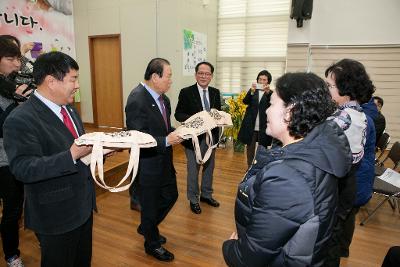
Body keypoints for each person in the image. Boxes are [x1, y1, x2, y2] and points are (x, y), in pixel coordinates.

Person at [222, 72, 352, 267]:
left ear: (290, 112)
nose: (266, 111)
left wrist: (231, 248)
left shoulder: (287, 178)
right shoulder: (319, 148)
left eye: (272, 104)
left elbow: (250, 256)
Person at [3, 51, 95, 267]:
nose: (77, 85)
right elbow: (23, 168)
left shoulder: (70, 110)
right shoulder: (21, 118)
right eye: (73, 79)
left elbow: (78, 149)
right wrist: (72, 155)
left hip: (83, 206)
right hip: (55, 215)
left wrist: (97, 152)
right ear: (51, 81)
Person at [125, 58, 182, 262]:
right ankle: (152, 244)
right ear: (155, 77)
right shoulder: (136, 99)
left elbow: (164, 128)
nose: (170, 81)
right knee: (149, 206)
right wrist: (166, 140)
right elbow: (137, 136)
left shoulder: (163, 99)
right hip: (148, 164)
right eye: (168, 76)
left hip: (164, 160)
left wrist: (179, 132)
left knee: (171, 195)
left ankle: (147, 227)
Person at [324, 58, 375, 267]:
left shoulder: (347, 117)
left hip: (339, 189)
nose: (326, 89)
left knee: (329, 243)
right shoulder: (353, 113)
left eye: (329, 86)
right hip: (343, 187)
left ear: (345, 89)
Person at [0, 37, 31, 267]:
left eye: (17, 59)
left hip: (20, 155)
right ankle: (12, 255)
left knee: (21, 206)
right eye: (10, 59)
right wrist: (18, 103)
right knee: (11, 211)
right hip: (3, 160)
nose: (16, 64)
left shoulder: (16, 82)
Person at [175, 61, 221, 214]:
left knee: (209, 168)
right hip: (193, 139)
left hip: (211, 139)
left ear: (211, 76)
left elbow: (217, 114)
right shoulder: (186, 92)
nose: (203, 76)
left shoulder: (215, 92)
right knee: (193, 170)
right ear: (196, 75)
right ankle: (193, 199)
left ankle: (206, 195)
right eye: (201, 73)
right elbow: (178, 114)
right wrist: (197, 121)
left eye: (207, 74)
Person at [237, 70, 273, 167]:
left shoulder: (271, 93)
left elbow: (274, 105)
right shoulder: (253, 91)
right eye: (260, 79)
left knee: (262, 149)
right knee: (250, 149)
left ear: (268, 82)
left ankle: (260, 168)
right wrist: (251, 91)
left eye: (264, 80)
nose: (261, 81)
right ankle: (249, 168)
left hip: (264, 126)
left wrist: (268, 93)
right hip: (251, 125)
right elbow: (245, 101)